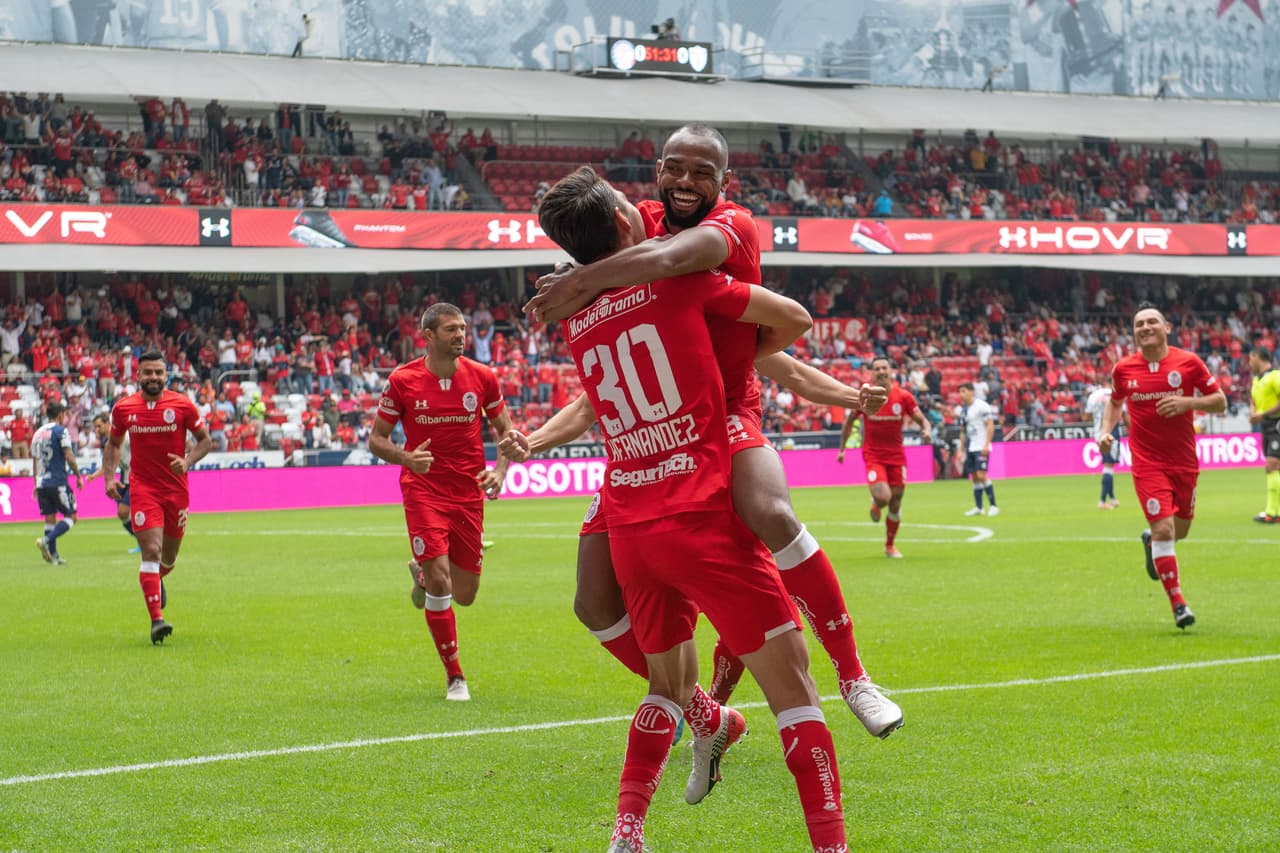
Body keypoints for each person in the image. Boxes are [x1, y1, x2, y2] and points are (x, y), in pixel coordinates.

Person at [523, 124, 901, 738]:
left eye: (702, 173)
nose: (685, 182)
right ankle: (705, 713)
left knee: (768, 510)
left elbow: (674, 260)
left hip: (723, 409)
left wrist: (583, 280)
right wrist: (569, 275)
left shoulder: (734, 224)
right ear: (656, 171)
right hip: (650, 432)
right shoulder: (639, 216)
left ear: (726, 182)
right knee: (592, 599)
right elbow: (598, 247)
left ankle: (854, 676)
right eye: (674, 168)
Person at [533, 165, 848, 853]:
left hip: (632, 515)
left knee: (661, 678)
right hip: (700, 507)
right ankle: (831, 842)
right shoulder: (679, 275)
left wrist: (586, 275)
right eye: (628, 202)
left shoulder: (574, 314)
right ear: (622, 220)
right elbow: (792, 317)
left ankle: (630, 830)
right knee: (795, 690)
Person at [368, 303, 515, 703]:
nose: (460, 335)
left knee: (465, 593)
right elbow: (376, 439)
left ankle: (420, 574)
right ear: (428, 336)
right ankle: (455, 677)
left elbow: (507, 433)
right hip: (423, 489)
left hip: (467, 492)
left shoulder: (482, 377)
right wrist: (406, 458)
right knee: (441, 581)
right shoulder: (403, 380)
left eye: (463, 328)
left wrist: (500, 472)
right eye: (451, 329)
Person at [1099, 304, 1226, 630]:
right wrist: (1105, 432)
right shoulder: (1124, 368)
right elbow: (1114, 403)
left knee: (1179, 530)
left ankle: (1150, 543)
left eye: (1152, 321)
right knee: (1165, 530)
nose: (1145, 327)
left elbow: (1220, 401)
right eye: (1139, 323)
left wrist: (1189, 402)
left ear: (1167, 327)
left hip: (1184, 461)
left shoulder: (1188, 362)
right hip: (1147, 462)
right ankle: (1179, 604)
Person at [103, 350, 213, 645]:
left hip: (176, 490)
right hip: (143, 489)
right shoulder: (124, 408)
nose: (153, 377)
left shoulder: (182, 405)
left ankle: (157, 578)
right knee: (150, 551)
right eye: (148, 372)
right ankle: (156, 621)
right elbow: (113, 444)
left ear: (167, 376)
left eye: (158, 373)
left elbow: (206, 441)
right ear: (137, 376)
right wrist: (109, 476)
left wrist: (188, 461)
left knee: (169, 556)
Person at [838, 356, 931, 558]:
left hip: (897, 456)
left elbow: (922, 420)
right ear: (871, 374)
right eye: (877, 368)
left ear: (891, 371)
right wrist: (842, 449)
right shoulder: (866, 397)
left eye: (884, 368)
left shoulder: (903, 397)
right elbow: (848, 423)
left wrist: (927, 430)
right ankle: (876, 502)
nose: (881, 371)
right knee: (883, 497)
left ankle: (890, 545)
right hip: (873, 455)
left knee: (896, 503)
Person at [32, 402, 83, 566]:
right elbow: (69, 455)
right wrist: (78, 475)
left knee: (50, 518)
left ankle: (53, 555)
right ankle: (46, 540)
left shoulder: (38, 433)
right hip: (57, 480)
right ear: (60, 415)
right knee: (72, 517)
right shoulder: (61, 431)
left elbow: (35, 460)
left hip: (42, 482)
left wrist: (35, 483)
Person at [85, 412, 140, 554]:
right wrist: (94, 476)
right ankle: (142, 542)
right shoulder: (108, 443)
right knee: (122, 514)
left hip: (136, 478)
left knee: (124, 511)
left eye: (99, 426)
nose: (96, 430)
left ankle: (147, 541)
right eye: (95, 427)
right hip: (124, 479)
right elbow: (108, 465)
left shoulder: (126, 438)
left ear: (108, 424)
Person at [1247, 346, 1280, 523]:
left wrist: (1262, 414)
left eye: (1250, 358)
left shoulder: (1275, 376)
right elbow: (1253, 400)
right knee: (1274, 468)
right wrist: (1253, 413)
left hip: (1277, 424)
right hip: (1266, 426)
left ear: (1257, 357)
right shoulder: (1256, 380)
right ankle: (1275, 511)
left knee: (1272, 465)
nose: (1249, 362)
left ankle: (1272, 513)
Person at [958, 381, 999, 516]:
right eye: (960, 392)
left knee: (982, 475)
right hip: (971, 446)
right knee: (975, 476)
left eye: (963, 391)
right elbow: (963, 431)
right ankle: (979, 508)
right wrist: (961, 449)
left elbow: (990, 425)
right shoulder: (963, 410)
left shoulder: (982, 406)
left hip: (981, 445)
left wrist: (987, 444)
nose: (961, 394)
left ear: (971, 392)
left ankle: (993, 506)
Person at [1085, 384, 1122, 509]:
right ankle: (1101, 501)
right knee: (1108, 467)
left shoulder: (1093, 397)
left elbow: (1087, 417)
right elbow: (1123, 413)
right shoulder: (1116, 393)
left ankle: (1112, 498)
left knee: (1108, 465)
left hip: (1098, 433)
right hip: (1112, 432)